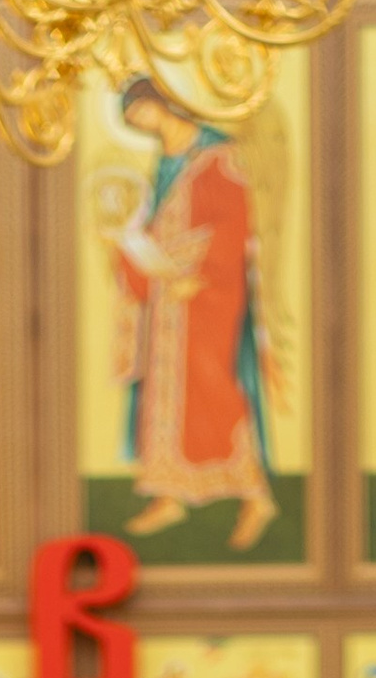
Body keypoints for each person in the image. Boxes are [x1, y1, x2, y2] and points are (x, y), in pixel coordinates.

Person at [105, 78, 277, 551]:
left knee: (212, 385)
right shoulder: (163, 163)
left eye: (139, 111)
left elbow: (233, 223)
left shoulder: (217, 156)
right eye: (130, 119)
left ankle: (254, 496)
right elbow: (156, 226)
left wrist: (200, 275)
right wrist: (128, 252)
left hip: (207, 295)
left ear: (160, 103)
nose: (138, 123)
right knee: (164, 393)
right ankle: (169, 495)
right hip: (166, 300)